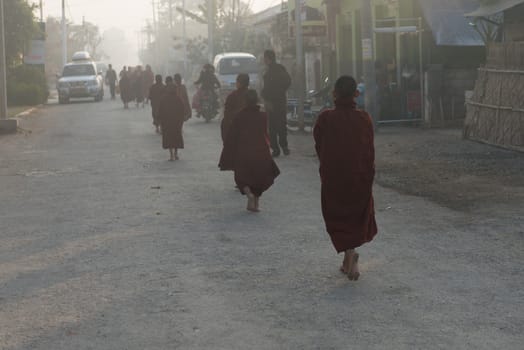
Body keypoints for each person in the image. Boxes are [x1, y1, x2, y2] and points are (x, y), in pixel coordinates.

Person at [313, 76, 378, 281]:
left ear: (334, 94)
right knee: (356, 214)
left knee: (337, 216)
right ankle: (350, 257)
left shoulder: (325, 118)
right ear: (355, 95)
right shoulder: (364, 118)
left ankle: (349, 255)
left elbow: (319, 146)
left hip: (334, 176)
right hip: (359, 175)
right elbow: (369, 149)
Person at [219, 90, 280, 212]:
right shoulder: (263, 116)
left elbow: (232, 136)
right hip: (260, 150)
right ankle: (256, 204)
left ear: (245, 102)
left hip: (244, 152)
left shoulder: (239, 116)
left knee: (242, 177)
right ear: (256, 100)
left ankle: (249, 195)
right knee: (259, 177)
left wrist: (229, 150)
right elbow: (265, 134)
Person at [261, 49, 291, 158]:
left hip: (271, 102)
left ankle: (276, 149)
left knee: (272, 127)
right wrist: (281, 91)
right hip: (279, 101)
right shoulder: (280, 68)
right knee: (281, 125)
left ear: (268, 58)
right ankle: (284, 146)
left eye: (264, 58)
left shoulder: (268, 71)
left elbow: (266, 88)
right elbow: (288, 81)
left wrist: (266, 98)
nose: (263, 60)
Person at [159, 76, 186, 161]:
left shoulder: (164, 98)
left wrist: (160, 120)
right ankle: (176, 154)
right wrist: (182, 119)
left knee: (169, 138)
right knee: (176, 137)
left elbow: (160, 110)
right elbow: (183, 109)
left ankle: (171, 155)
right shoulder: (178, 98)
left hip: (167, 123)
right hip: (177, 122)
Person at [221, 73, 249, 143]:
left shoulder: (232, 96)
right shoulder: (252, 94)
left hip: (236, 122)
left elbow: (227, 113)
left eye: (237, 82)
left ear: (239, 83)